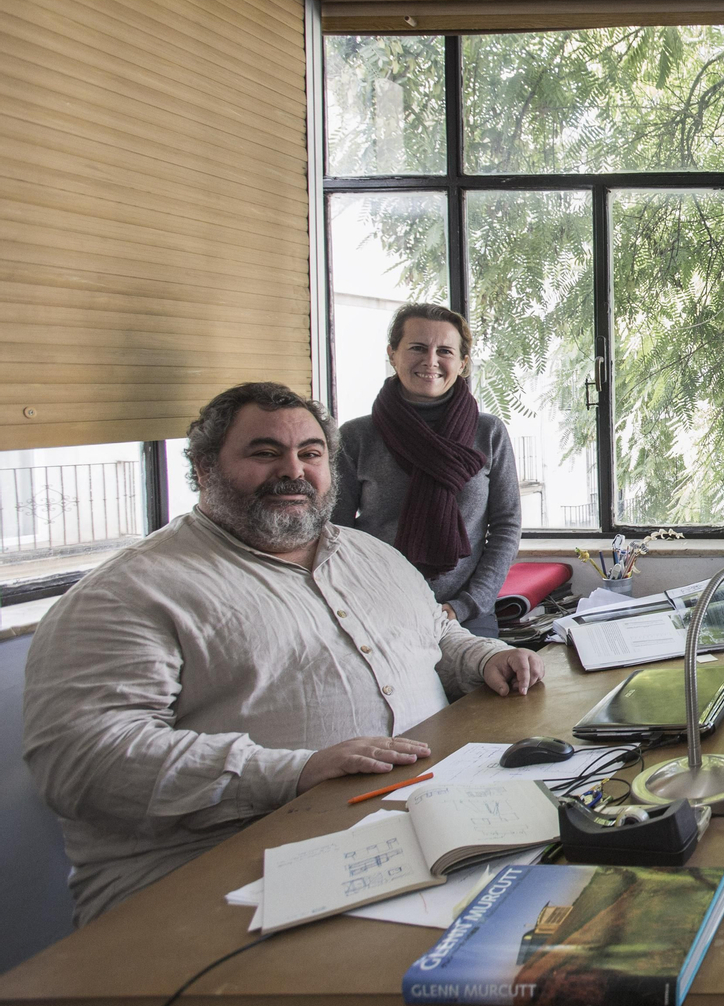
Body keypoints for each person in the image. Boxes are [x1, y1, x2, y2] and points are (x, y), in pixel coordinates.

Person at [23, 382, 544, 925]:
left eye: (310, 454)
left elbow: (434, 635)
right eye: (265, 453)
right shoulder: (131, 591)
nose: (292, 471)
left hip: (405, 829)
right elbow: (83, 760)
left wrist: (482, 658)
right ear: (204, 469)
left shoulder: (372, 555)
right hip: (217, 872)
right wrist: (294, 772)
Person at [334, 304, 520, 638]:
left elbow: (506, 525)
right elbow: (337, 533)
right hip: (379, 612)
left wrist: (468, 603)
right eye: (417, 347)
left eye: (445, 351)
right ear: (393, 354)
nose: (430, 361)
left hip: (466, 614)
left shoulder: (488, 432)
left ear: (462, 363)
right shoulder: (356, 436)